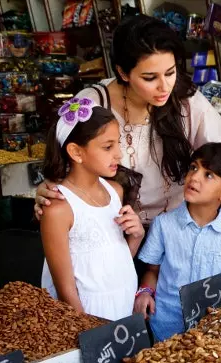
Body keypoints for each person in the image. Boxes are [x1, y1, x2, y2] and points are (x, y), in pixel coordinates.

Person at [33, 15, 221, 224]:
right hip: (114, 238)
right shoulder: (91, 105)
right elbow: (61, 173)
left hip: (175, 233)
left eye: (170, 72)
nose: (164, 86)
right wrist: (51, 190)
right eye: (150, 78)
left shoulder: (185, 99)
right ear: (123, 72)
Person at [133, 142, 221, 341]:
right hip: (166, 327)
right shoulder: (163, 224)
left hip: (213, 330)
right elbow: (152, 270)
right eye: (193, 167)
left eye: (208, 175)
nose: (195, 177)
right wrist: (145, 292)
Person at [40, 98, 145, 321]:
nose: (119, 154)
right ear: (76, 152)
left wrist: (136, 236)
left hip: (122, 303)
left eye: (118, 144)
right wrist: (86, 329)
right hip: (87, 314)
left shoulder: (115, 191)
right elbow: (65, 288)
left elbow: (115, 258)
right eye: (108, 147)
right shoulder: (58, 208)